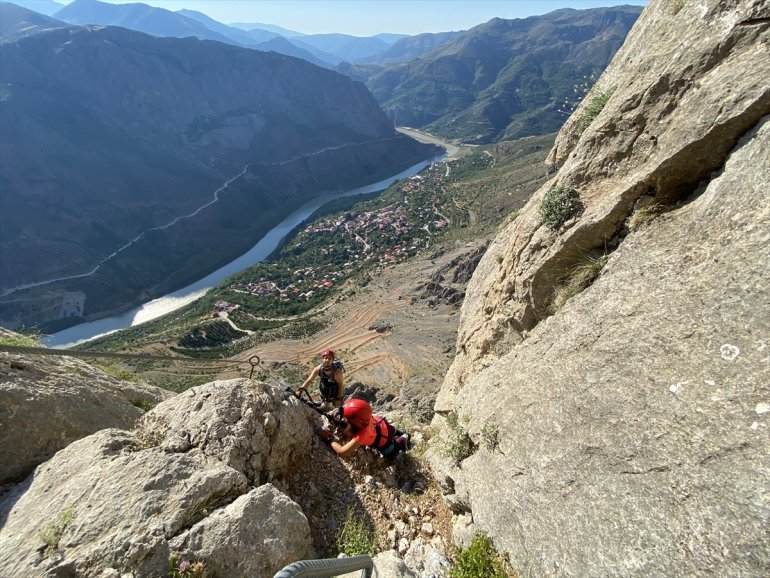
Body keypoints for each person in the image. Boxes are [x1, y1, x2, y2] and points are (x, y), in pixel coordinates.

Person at [319, 398, 409, 460]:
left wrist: (330, 439)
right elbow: (357, 409)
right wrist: (342, 410)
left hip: (384, 441)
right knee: (391, 430)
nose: (344, 419)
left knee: (390, 454)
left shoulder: (362, 434)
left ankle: (405, 437)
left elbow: (343, 452)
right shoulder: (364, 418)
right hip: (382, 424)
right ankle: (397, 432)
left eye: (346, 417)